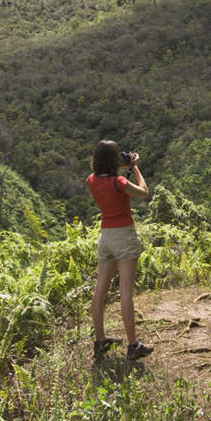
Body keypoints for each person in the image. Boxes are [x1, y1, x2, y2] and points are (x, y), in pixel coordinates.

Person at [86, 139, 153, 361]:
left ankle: (100, 341)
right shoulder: (120, 182)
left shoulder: (92, 180)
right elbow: (144, 192)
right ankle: (133, 345)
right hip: (123, 235)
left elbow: (106, 175)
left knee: (100, 291)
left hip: (105, 237)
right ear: (115, 160)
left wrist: (121, 166)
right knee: (125, 292)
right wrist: (134, 167)